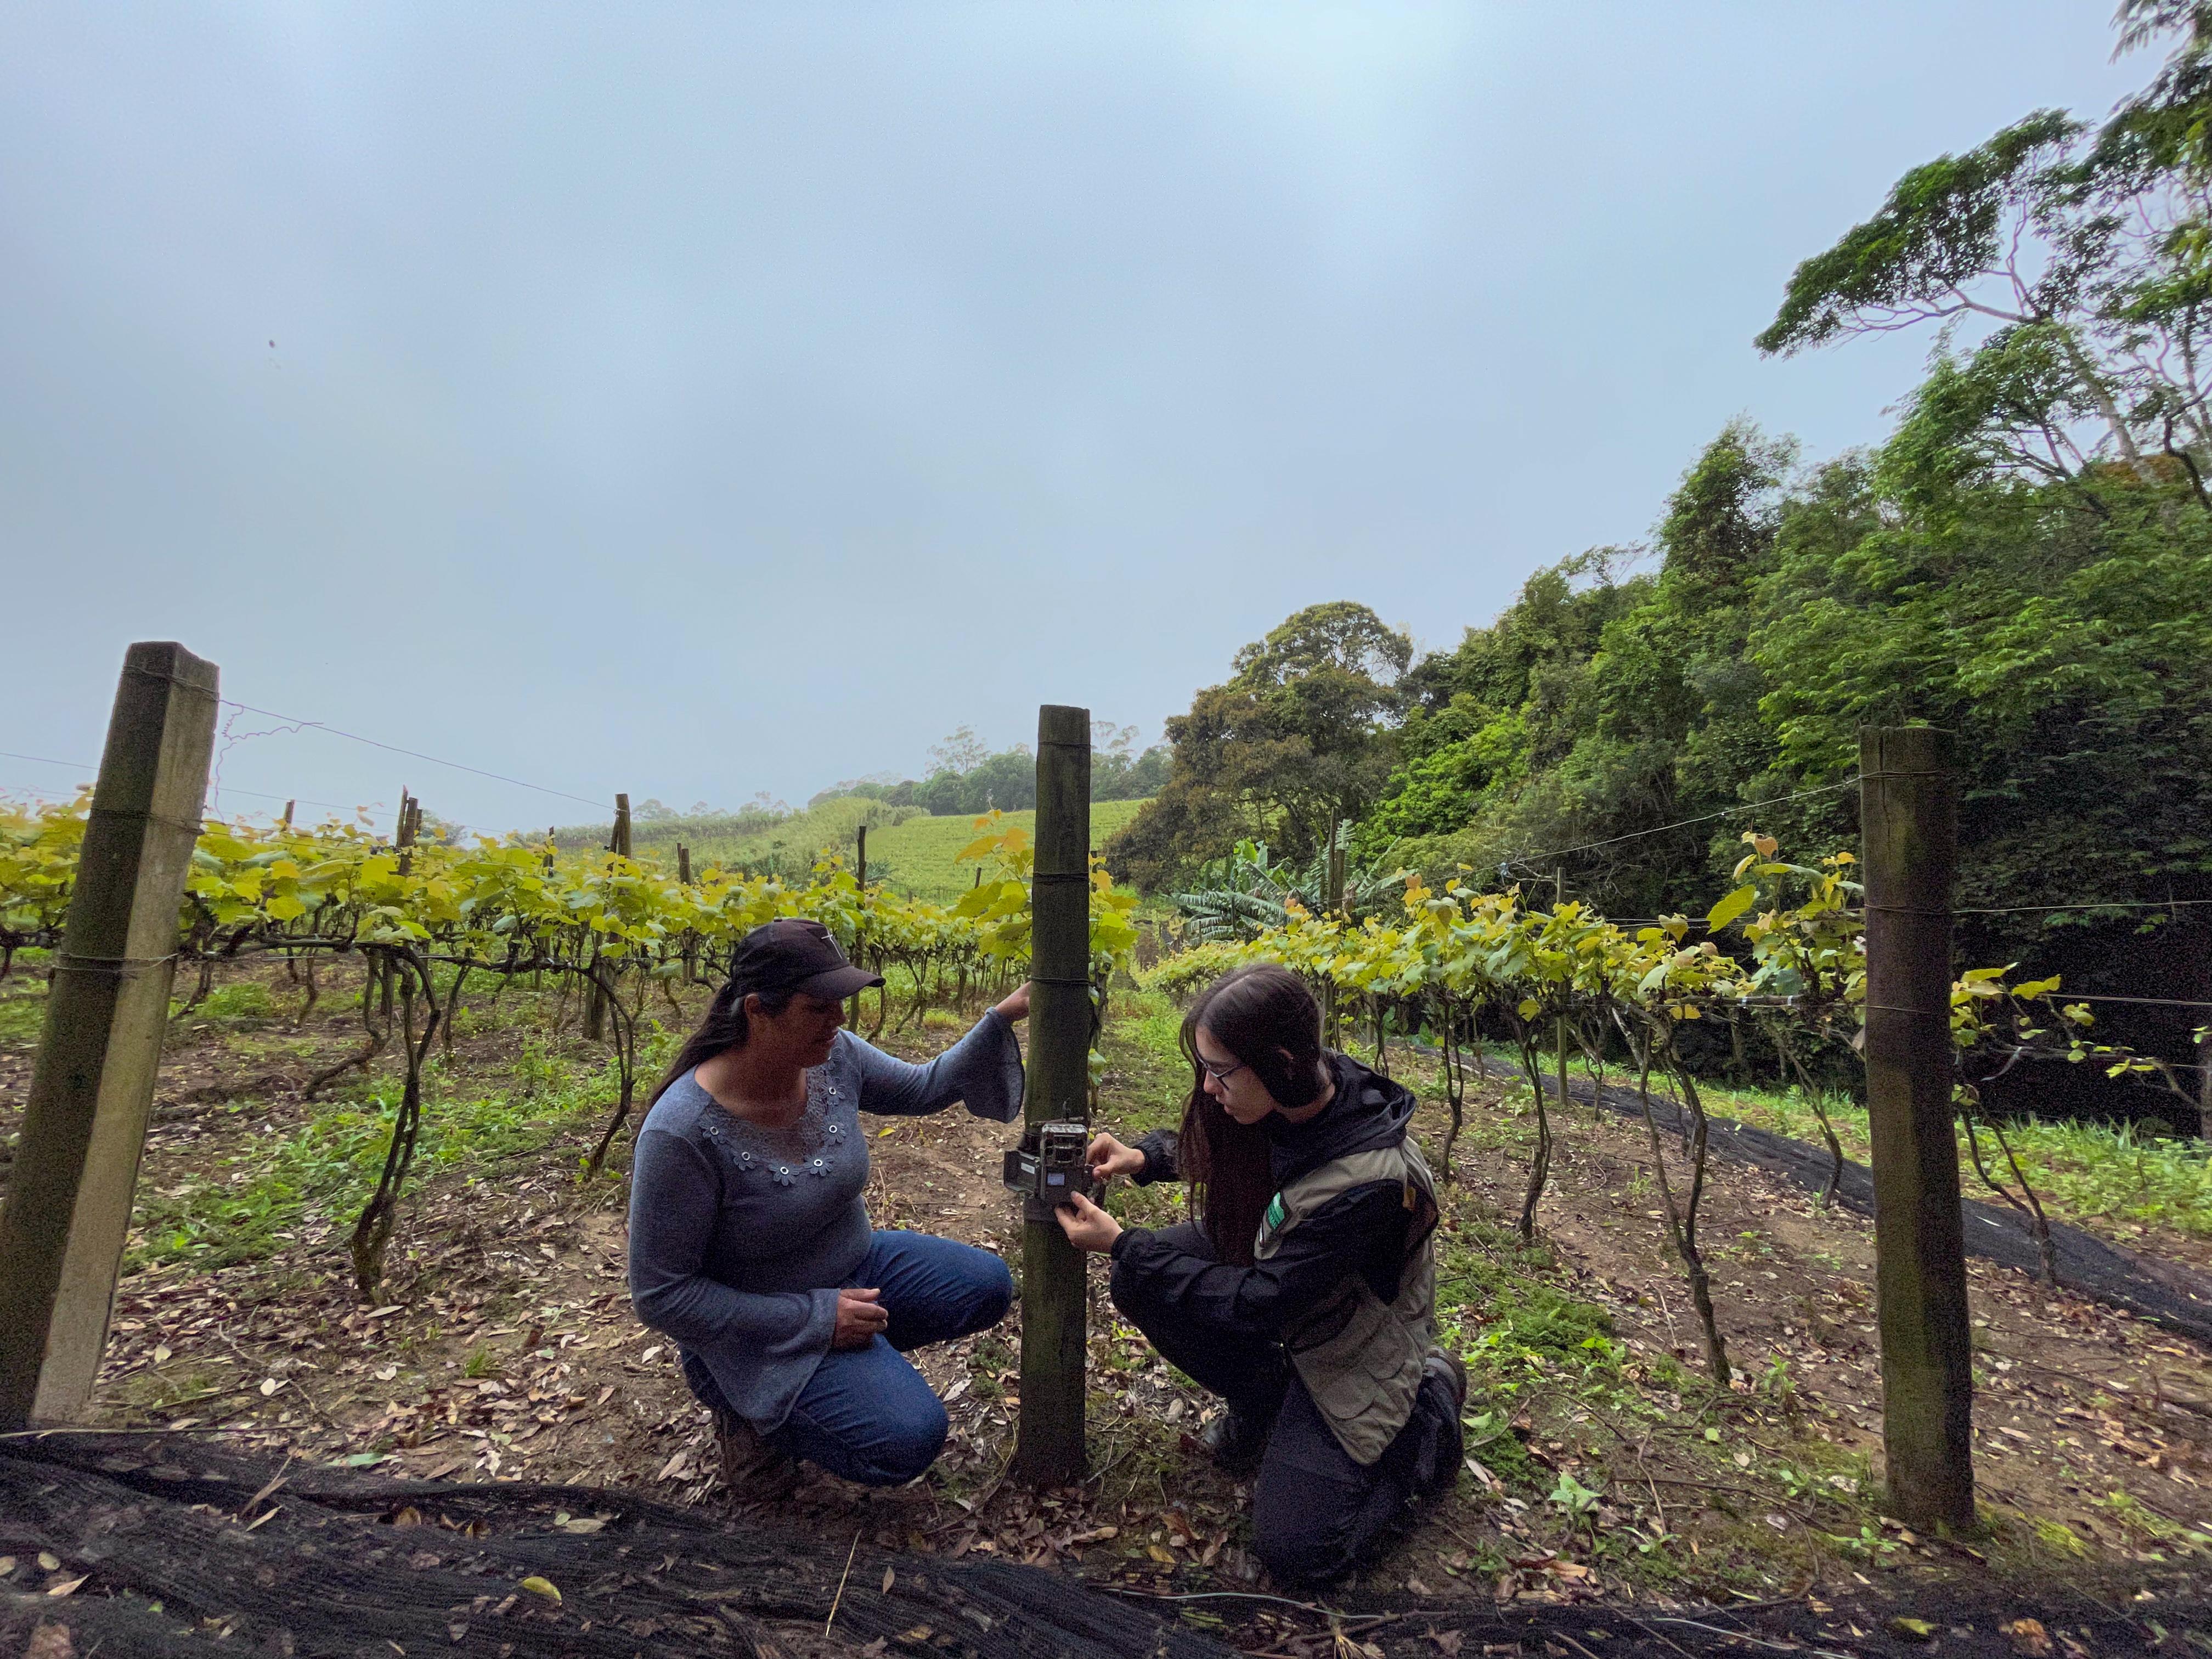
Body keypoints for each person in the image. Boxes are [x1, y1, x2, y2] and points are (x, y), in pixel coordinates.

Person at [1052, 962, 1465, 1587]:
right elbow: (1235, 1156)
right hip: (1291, 1285)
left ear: (1277, 1060)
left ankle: (1426, 1407)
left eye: (1220, 1072)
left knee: (1301, 1552)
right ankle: (1267, 1400)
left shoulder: (1372, 1184)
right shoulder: (1294, 1094)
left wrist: (1122, 1243)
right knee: (1144, 1280)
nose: (1210, 1089)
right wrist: (1146, 1158)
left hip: (1350, 1341)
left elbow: (1258, 1302)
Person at [628, 917, 1026, 1493]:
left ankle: (848, 1373)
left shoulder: (832, 1055)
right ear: (758, 1011)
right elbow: (662, 1295)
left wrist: (1002, 1016)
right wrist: (816, 1320)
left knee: (987, 1284)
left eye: (842, 1003)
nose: (839, 1021)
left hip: (856, 1268)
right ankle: (746, 1406)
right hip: (759, 1323)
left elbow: (922, 1088)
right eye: (819, 1008)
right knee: (908, 1439)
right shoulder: (683, 1133)